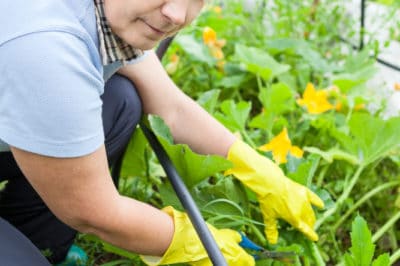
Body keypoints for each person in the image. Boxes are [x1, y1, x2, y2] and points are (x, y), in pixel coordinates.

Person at [0, 0, 324, 265]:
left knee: (121, 101)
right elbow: (92, 211)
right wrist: (192, 242)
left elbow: (172, 108)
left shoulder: (106, 13)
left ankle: (30, 240)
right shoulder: (46, 44)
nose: (177, 14)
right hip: (33, 74)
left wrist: (255, 168)